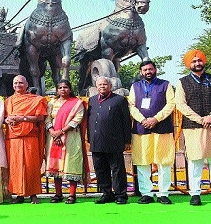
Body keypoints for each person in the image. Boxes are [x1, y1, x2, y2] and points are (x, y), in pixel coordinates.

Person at [175, 49, 211, 206]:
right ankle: (195, 194)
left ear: (203, 62)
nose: (197, 63)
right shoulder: (182, 82)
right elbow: (180, 104)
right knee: (195, 161)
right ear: (188, 64)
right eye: (193, 61)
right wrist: (200, 119)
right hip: (193, 127)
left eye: (199, 60)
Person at [128, 61, 175, 204]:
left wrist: (156, 118)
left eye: (150, 69)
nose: (148, 72)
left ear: (155, 70)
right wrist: (143, 120)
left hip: (162, 128)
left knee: (163, 161)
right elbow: (131, 105)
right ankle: (146, 193)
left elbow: (171, 104)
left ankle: (163, 194)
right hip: (141, 129)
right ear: (141, 72)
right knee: (142, 162)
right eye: (145, 70)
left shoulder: (165, 84)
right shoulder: (135, 86)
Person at [4, 75, 47, 204]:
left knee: (31, 165)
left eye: (21, 83)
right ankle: (19, 194)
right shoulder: (8, 101)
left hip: (30, 136)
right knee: (15, 166)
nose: (18, 85)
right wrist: (7, 120)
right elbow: (6, 117)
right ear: (13, 85)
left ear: (27, 84)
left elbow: (40, 118)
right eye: (15, 83)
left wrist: (22, 118)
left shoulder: (37, 100)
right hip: (13, 138)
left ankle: (33, 194)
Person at [87, 76, 131, 204]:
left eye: (105, 84)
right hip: (97, 141)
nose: (102, 87)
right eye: (100, 85)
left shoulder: (119, 100)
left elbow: (126, 121)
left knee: (117, 169)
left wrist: (127, 140)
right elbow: (89, 120)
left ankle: (121, 195)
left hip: (114, 141)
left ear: (110, 86)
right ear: (96, 87)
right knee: (100, 169)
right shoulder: (92, 100)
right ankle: (106, 193)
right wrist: (90, 138)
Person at [45, 79, 87, 205]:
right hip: (53, 138)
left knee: (70, 163)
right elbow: (47, 118)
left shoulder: (77, 103)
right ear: (57, 90)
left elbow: (77, 119)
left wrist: (61, 132)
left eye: (65, 87)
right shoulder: (52, 103)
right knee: (56, 165)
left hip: (70, 137)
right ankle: (58, 194)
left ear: (70, 89)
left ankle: (72, 195)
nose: (63, 90)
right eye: (60, 88)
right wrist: (53, 132)